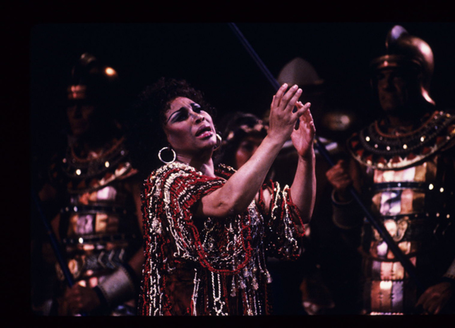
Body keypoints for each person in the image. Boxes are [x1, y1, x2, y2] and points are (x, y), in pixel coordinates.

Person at [136, 77, 316, 316]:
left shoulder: (229, 181)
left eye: (198, 109)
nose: (198, 116)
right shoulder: (165, 182)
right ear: (164, 141)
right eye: (180, 116)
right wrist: (274, 137)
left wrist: (306, 155)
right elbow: (225, 203)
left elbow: (296, 213)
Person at [325, 25, 455, 315]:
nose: (387, 86)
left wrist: (452, 280)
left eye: (397, 76)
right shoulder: (361, 146)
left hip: (434, 297)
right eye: (381, 78)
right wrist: (342, 196)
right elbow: (354, 234)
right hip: (372, 298)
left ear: (420, 78)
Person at [32, 53, 144, 316]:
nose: (77, 114)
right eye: (71, 106)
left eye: (86, 104)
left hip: (121, 305)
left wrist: (103, 294)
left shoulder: (132, 164)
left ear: (104, 105)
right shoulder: (59, 171)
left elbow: (156, 244)